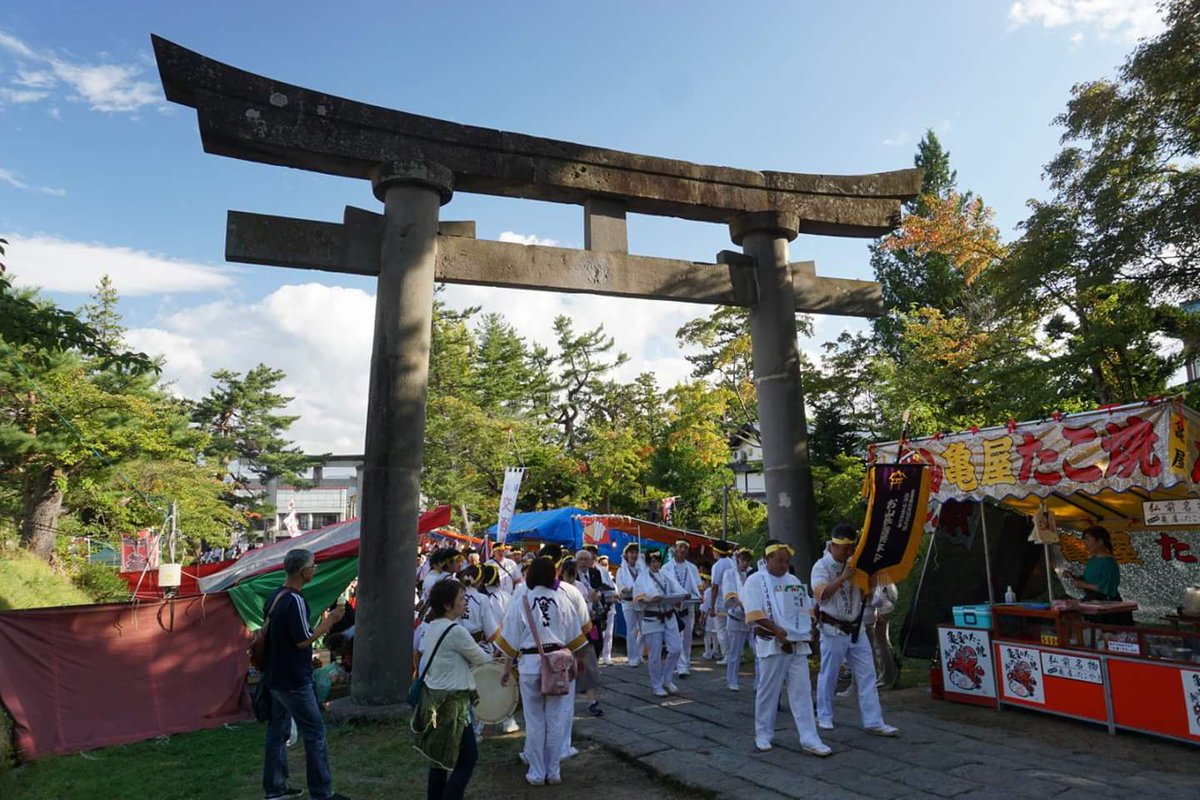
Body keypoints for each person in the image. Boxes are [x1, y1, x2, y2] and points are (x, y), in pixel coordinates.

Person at [261, 549, 350, 800]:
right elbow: (302, 640)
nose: (315, 569)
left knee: (277, 731)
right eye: (314, 566)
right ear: (304, 571)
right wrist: (329, 621)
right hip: (293, 679)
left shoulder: (275, 596)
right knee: (315, 732)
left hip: (275, 674)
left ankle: (276, 787)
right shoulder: (295, 600)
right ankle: (322, 792)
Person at [497, 557, 589, 786]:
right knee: (555, 719)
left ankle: (537, 773)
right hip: (557, 665)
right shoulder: (562, 599)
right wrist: (578, 663)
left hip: (529, 666)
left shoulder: (521, 599)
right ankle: (554, 771)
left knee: (535, 721)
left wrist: (507, 669)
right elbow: (577, 640)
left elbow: (510, 641)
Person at [741, 541, 830, 756]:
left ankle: (810, 737)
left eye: (787, 561)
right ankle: (763, 734)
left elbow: (805, 609)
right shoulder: (755, 580)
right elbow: (753, 612)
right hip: (772, 644)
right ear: (767, 559)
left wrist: (810, 629)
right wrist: (775, 629)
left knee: (802, 692)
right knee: (768, 691)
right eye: (780, 560)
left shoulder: (792, 580)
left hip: (797, 646)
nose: (784, 565)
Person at [812, 524, 899, 737]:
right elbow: (821, 595)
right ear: (833, 546)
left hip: (856, 627)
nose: (847, 552)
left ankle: (873, 720)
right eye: (843, 548)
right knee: (829, 674)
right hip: (833, 628)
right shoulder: (821, 566)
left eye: (851, 547)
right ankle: (824, 715)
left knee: (868, 673)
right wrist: (842, 578)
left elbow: (868, 597)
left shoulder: (856, 564)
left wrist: (869, 585)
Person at [413, 579, 490, 800]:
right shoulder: (456, 630)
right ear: (448, 605)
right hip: (453, 701)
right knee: (467, 759)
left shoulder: (433, 626)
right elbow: (481, 659)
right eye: (461, 599)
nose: (465, 602)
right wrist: (498, 657)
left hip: (434, 698)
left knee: (438, 760)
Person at [633, 549, 685, 696]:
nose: (655, 564)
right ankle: (656, 684)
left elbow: (677, 589)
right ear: (649, 562)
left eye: (657, 560)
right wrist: (650, 599)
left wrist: (683, 596)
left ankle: (666, 679)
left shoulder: (666, 575)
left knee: (676, 648)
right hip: (652, 617)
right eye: (653, 561)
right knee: (654, 654)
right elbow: (638, 597)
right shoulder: (642, 577)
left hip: (669, 615)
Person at [1068, 525, 1135, 625]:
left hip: (1107, 606)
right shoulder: (1093, 560)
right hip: (1093, 602)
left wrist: (1083, 585)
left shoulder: (1108, 562)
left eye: (1088, 540)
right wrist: (1076, 578)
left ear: (1100, 541)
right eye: (1084, 540)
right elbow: (1091, 579)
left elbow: (1108, 587)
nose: (1085, 543)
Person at [564, 556, 605, 716]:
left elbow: (588, 605)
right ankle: (567, 702)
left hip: (583, 632)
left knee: (589, 667)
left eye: (573, 574)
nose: (571, 578)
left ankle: (592, 701)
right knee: (567, 668)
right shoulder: (558, 589)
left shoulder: (580, 586)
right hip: (566, 635)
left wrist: (593, 603)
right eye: (569, 574)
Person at [667, 540, 702, 677]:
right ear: (675, 548)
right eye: (680, 547)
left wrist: (700, 595)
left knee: (687, 638)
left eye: (685, 548)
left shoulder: (692, 568)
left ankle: (685, 663)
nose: (682, 550)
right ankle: (681, 666)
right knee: (677, 637)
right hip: (674, 607)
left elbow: (698, 587)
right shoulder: (667, 568)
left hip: (688, 606)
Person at [720, 547, 753, 691]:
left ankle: (758, 682)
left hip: (752, 617)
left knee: (758, 651)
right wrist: (741, 603)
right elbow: (729, 593)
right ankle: (731, 680)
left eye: (747, 560)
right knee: (735, 653)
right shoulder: (730, 573)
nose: (745, 563)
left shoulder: (752, 574)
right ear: (738, 559)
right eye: (743, 559)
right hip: (736, 616)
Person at [615, 543, 645, 667]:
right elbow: (620, 586)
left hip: (642, 601)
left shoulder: (641, 569)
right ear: (626, 555)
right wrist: (629, 589)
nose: (633, 555)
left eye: (635, 552)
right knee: (631, 630)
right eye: (631, 552)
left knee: (645, 629)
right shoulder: (621, 570)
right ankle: (632, 657)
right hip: (628, 602)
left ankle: (639, 653)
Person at [708, 540, 736, 664]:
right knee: (732, 629)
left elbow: (715, 586)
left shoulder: (718, 565)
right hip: (734, 600)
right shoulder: (733, 562)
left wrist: (712, 605)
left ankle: (728, 655)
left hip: (720, 601)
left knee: (721, 630)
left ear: (716, 551)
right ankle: (737, 653)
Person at [596, 555, 618, 665]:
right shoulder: (597, 578)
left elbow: (616, 593)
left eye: (606, 564)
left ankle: (607, 656)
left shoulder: (612, 579)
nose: (605, 566)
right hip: (600, 610)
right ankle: (598, 655)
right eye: (602, 564)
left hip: (611, 609)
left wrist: (616, 596)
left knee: (609, 634)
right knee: (601, 634)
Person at [699, 574, 719, 659]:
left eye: (703, 581)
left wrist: (702, 616)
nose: (702, 583)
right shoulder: (717, 590)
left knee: (707, 635)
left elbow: (705, 606)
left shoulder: (707, 592)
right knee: (715, 635)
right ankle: (715, 651)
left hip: (709, 614)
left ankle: (708, 652)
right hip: (716, 614)